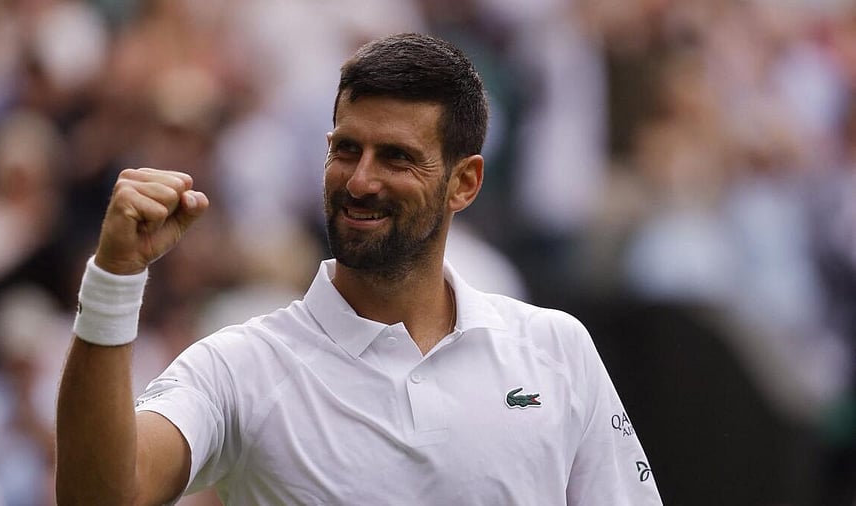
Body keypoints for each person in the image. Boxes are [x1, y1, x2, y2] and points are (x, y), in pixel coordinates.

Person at [55, 33, 662, 505]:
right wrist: (114, 279)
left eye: (396, 157)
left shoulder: (557, 349)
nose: (361, 181)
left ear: (465, 182)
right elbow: (100, 498)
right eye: (346, 149)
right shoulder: (239, 367)